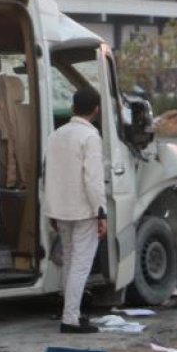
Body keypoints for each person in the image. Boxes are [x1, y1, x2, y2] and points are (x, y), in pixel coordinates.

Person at [44, 88, 108, 333]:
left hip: (60, 209)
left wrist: (51, 209)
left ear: (72, 108)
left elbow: (48, 174)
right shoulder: (90, 137)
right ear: (96, 110)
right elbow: (92, 178)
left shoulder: (56, 135)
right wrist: (100, 211)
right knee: (81, 264)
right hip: (83, 210)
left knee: (69, 261)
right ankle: (70, 318)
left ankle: (70, 313)